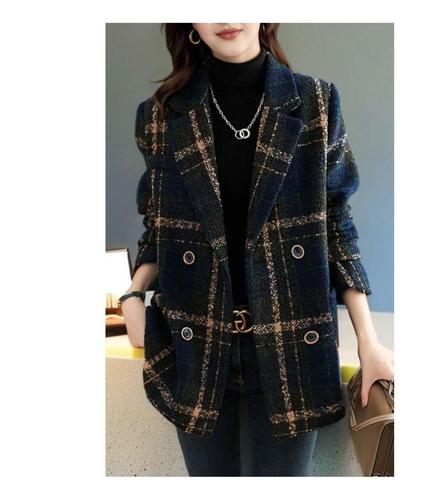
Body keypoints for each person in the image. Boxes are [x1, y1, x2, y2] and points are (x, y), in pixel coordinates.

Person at [120, 23, 394, 477]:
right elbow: (160, 226)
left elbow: (337, 228)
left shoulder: (316, 102)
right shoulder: (159, 116)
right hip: (197, 345)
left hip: (290, 343)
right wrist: (133, 292)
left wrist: (369, 341)